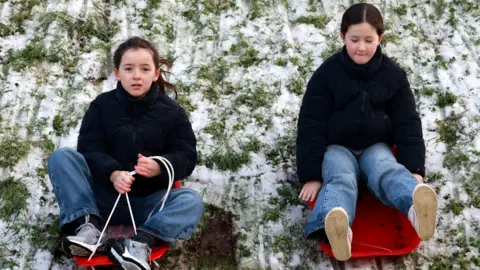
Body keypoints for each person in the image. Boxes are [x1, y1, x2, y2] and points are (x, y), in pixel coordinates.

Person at [295, 3, 438, 261]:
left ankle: (416, 209)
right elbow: (311, 123)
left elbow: (407, 122)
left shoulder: (393, 76)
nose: (361, 47)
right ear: (342, 37)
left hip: (375, 146)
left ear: (380, 38)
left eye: (369, 40)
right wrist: (312, 175)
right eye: (354, 40)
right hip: (337, 146)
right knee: (341, 178)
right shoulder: (327, 74)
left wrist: (414, 168)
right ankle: (338, 227)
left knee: (387, 171)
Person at [47, 36, 204, 270]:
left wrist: (159, 166)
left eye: (144, 69)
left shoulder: (172, 113)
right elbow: (89, 149)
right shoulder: (102, 106)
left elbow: (187, 156)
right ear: (117, 73)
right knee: (62, 157)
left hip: (147, 204)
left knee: (191, 200)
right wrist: (112, 173)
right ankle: (88, 229)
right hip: (101, 199)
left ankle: (140, 244)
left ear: (156, 73)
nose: (136, 75)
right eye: (129, 69)